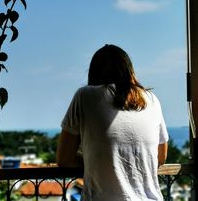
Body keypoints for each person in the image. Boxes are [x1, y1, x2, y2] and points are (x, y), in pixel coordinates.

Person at [56, 44, 169, 201]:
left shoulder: (85, 96)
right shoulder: (151, 100)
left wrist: (94, 158)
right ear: (130, 70)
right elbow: (161, 156)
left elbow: (64, 159)